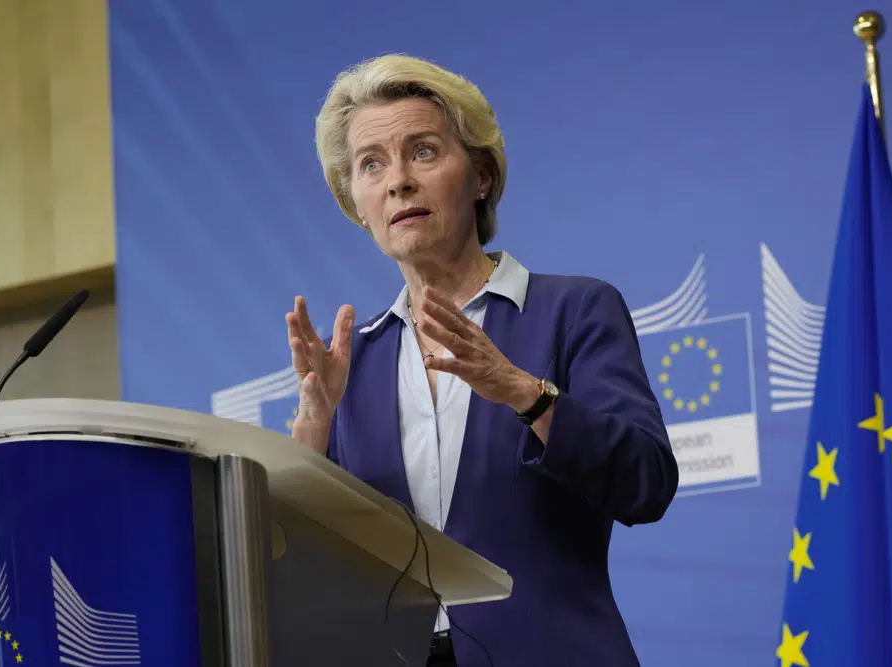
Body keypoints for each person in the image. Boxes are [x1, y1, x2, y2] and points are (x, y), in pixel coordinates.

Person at [285, 53, 678, 667]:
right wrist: (313, 427)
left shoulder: (574, 310)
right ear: (358, 205)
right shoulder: (349, 363)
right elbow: (304, 564)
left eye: (423, 152)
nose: (398, 182)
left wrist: (525, 392)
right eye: (371, 165)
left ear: (481, 177)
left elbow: (646, 484)